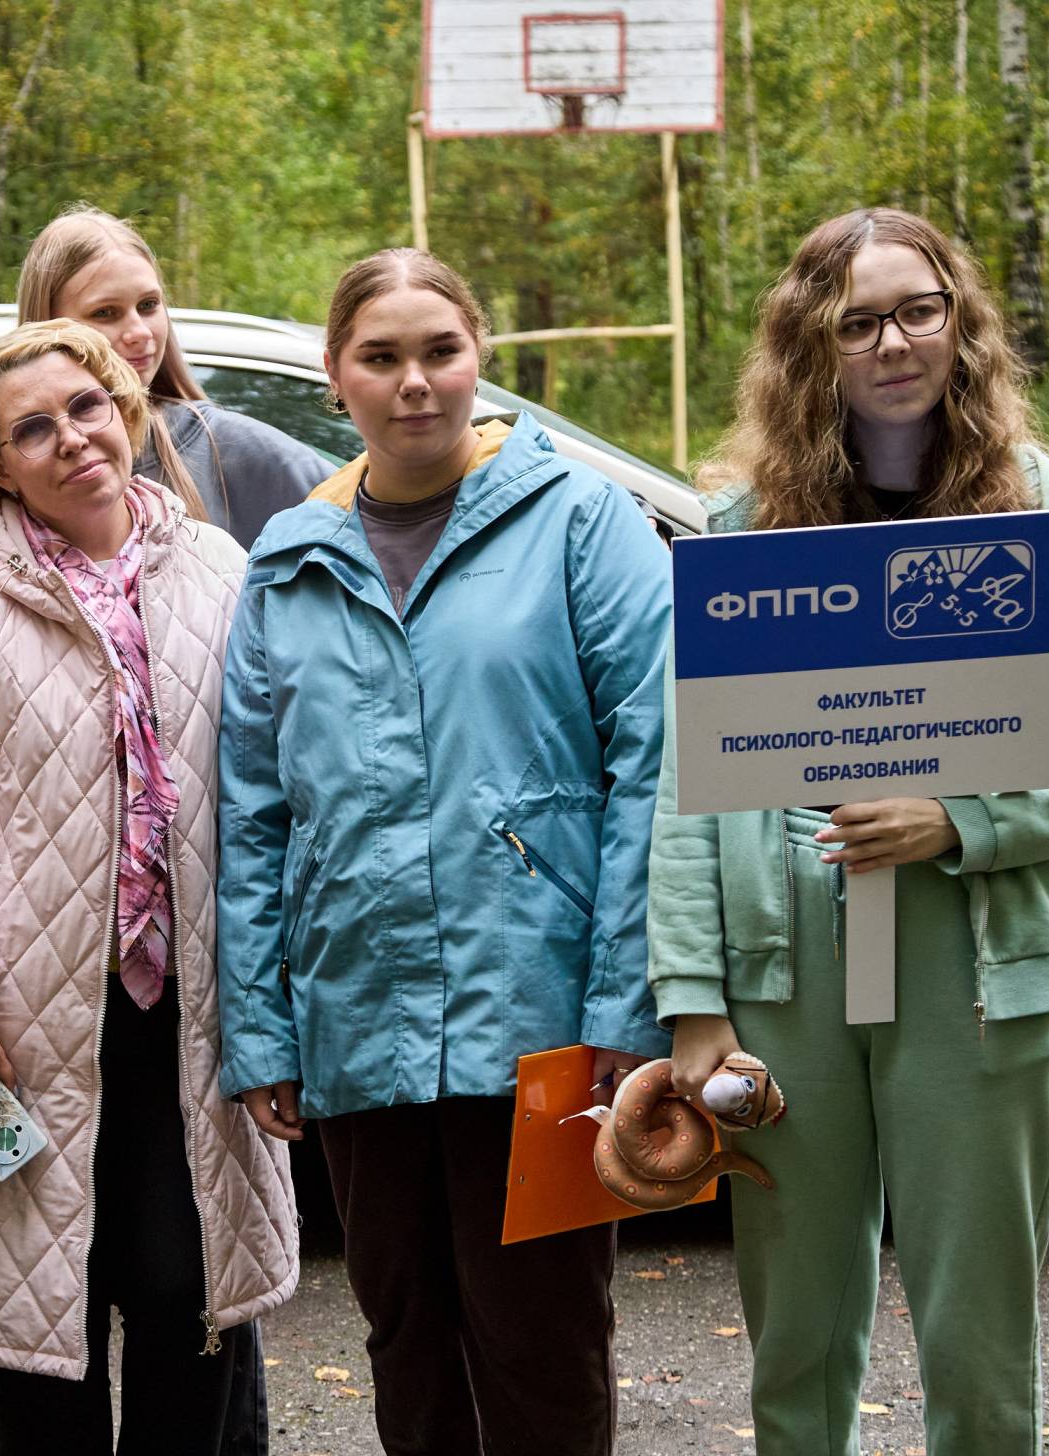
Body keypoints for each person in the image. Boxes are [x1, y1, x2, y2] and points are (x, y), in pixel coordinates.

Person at [217, 248, 672, 1456]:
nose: (413, 381)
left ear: (481, 359)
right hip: (358, 1017)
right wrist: (262, 1027)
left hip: (545, 1018)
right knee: (406, 1337)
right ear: (336, 376)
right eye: (381, 357)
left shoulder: (580, 521)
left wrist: (626, 1001)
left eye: (440, 351)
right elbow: (252, 809)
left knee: (543, 1343)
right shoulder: (288, 559)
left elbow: (655, 764)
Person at [649, 207, 1049, 1456]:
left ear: (959, 321)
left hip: (981, 961)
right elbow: (687, 781)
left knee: (981, 1334)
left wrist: (962, 815)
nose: (894, 343)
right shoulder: (745, 532)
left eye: (919, 310)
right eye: (857, 322)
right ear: (811, 345)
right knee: (795, 1329)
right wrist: (693, 997)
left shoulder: (1046, 515)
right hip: (784, 970)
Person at [0, 319, 296, 1455]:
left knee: (188, 1294)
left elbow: (275, 781)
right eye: (33, 429)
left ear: (127, 409)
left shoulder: (218, 570)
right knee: (42, 1318)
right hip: (26, 1024)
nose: (71, 439)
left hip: (195, 1013)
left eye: (88, 407)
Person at [0, 203, 329, 547]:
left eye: (148, 305)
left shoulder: (230, 448)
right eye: (105, 313)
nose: (140, 332)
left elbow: (356, 524)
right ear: (48, 327)